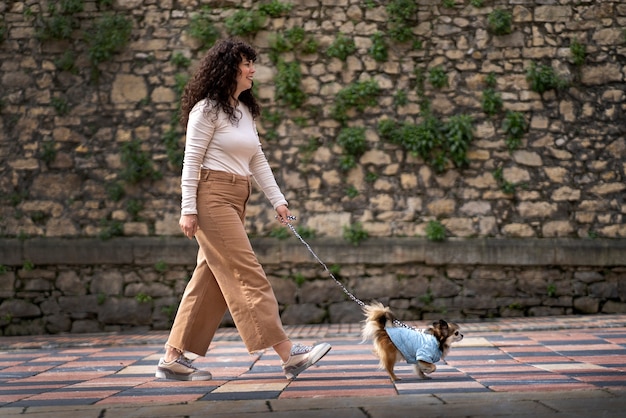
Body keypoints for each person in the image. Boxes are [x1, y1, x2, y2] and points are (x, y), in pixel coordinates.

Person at [155, 38, 331, 381]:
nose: (253, 70)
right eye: (247, 63)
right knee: (246, 271)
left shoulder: (244, 110)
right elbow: (191, 161)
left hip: (237, 196)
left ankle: (172, 359)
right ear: (228, 68)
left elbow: (257, 159)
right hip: (211, 197)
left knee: (208, 279)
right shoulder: (205, 110)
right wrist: (187, 209)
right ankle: (287, 352)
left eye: (252, 62)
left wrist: (278, 201)